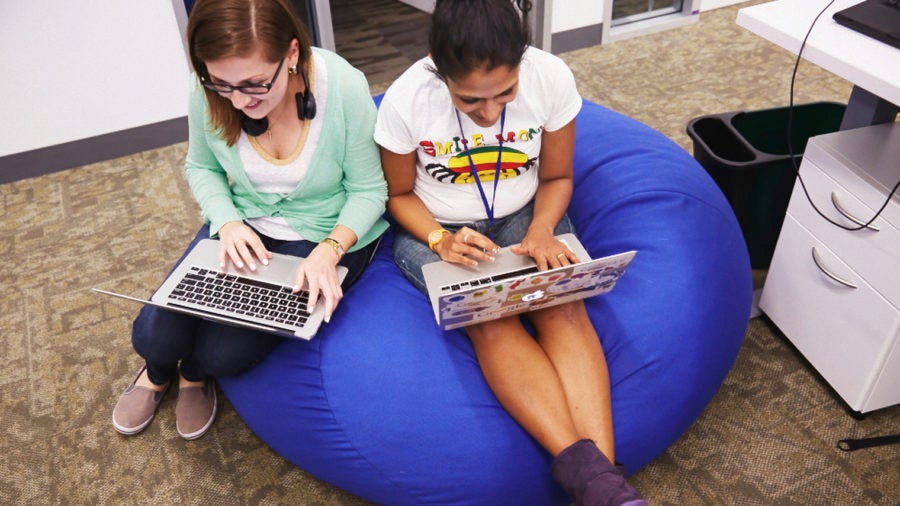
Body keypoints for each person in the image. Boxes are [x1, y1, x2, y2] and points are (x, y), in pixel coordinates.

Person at [374, 1, 646, 504]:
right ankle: (602, 486)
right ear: (440, 69)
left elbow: (558, 176)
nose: (490, 112)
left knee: (562, 304)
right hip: (436, 228)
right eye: (470, 100)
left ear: (522, 62)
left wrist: (543, 231)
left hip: (528, 215)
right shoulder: (407, 98)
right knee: (489, 313)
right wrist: (441, 240)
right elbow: (397, 195)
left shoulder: (550, 77)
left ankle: (601, 486)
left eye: (505, 93)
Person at [112, 0, 388, 440]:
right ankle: (159, 371)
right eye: (223, 84)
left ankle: (195, 375)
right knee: (152, 337)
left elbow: (370, 191)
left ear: (292, 54)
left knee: (224, 354)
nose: (239, 100)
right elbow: (201, 167)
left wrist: (330, 250)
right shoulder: (207, 86)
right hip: (245, 223)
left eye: (255, 84)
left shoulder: (344, 87)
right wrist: (228, 222)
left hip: (324, 232)